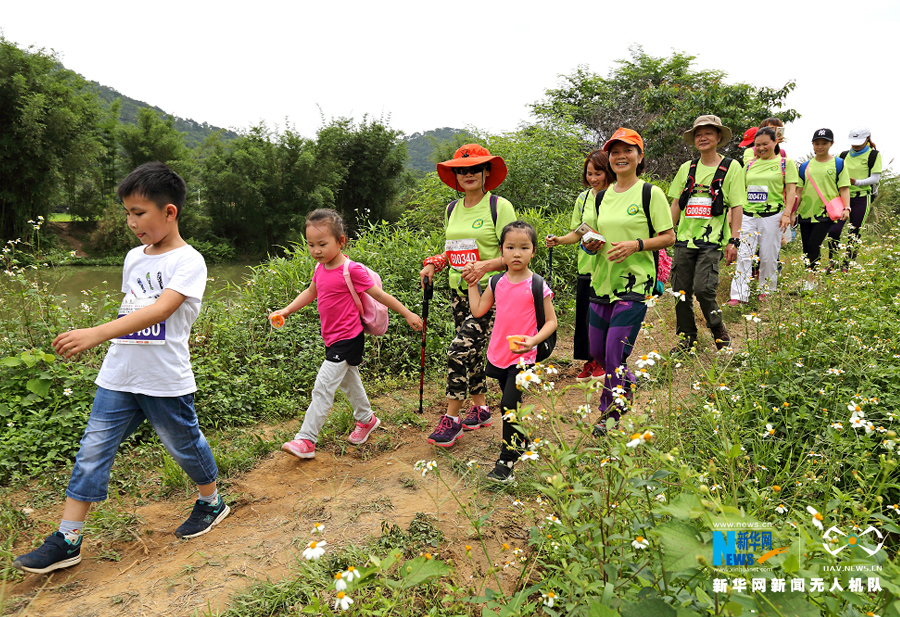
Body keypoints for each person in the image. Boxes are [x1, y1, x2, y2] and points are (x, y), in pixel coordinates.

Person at [14, 163, 228, 574]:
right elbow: (131, 309)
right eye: (127, 213)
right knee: (92, 450)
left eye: (139, 212)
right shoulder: (133, 257)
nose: (131, 222)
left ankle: (211, 501)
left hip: (164, 378)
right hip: (119, 374)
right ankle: (68, 538)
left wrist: (95, 332)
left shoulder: (190, 261)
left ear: (170, 212)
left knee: (184, 445)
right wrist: (107, 339)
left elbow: (163, 309)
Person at [547, 128, 674, 436]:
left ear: (639, 156)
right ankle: (626, 385)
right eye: (615, 151)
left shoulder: (650, 193)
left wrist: (636, 245)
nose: (620, 156)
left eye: (627, 150)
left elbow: (669, 237)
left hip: (634, 284)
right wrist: (591, 243)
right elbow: (591, 232)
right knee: (599, 352)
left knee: (615, 353)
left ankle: (610, 412)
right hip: (602, 281)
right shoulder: (602, 196)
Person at [274, 209, 423, 459]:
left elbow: (379, 295)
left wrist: (407, 313)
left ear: (340, 241)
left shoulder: (351, 270)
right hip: (331, 338)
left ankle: (306, 440)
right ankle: (366, 419)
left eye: (322, 244)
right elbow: (311, 292)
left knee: (323, 387)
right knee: (348, 380)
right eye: (311, 244)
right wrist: (287, 310)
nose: (316, 250)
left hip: (348, 338)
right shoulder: (320, 269)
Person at [419, 144, 517, 448]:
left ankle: (453, 419)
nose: (468, 174)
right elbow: (455, 252)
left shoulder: (499, 207)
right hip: (458, 293)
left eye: (475, 168)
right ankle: (481, 408)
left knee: (457, 350)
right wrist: (435, 263)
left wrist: (485, 266)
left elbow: (515, 253)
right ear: (456, 176)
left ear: (486, 171)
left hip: (489, 293)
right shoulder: (452, 209)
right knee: (472, 354)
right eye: (462, 170)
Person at [467, 221, 557, 482]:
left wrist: (533, 341)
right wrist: (473, 282)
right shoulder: (496, 281)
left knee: (508, 405)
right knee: (508, 405)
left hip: (524, 356)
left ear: (533, 251)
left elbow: (552, 322)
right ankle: (522, 441)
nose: (517, 253)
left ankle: (506, 461)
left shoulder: (537, 285)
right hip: (499, 353)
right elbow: (478, 310)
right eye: (510, 247)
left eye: (524, 247)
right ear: (501, 251)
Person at [668, 115, 744, 353]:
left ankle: (717, 329)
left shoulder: (731, 167)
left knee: (703, 288)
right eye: (698, 134)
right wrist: (666, 234)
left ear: (718, 137)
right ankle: (688, 338)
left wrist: (734, 240)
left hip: (711, 242)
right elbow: (676, 204)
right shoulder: (686, 168)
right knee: (680, 291)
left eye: (709, 133)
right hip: (683, 240)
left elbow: (737, 206)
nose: (703, 137)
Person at [552, 150, 609, 381]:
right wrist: (559, 240)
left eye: (598, 173)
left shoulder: (616, 196)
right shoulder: (583, 198)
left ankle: (603, 360)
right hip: (586, 265)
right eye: (590, 174)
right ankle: (589, 360)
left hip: (608, 265)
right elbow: (578, 232)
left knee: (601, 316)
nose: (594, 178)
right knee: (584, 316)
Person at [728, 127, 798, 305]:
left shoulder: (785, 163)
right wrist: (731, 214)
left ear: (775, 142)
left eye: (765, 144)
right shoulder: (750, 164)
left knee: (768, 256)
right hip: (748, 215)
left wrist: (787, 214)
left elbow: (791, 191)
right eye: (757, 145)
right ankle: (738, 294)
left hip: (773, 216)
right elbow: (739, 191)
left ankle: (766, 290)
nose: (761, 148)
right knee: (744, 255)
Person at [795, 128, 851, 290]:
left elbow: (844, 188)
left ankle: (812, 280)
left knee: (814, 244)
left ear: (831, 144)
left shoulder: (839, 163)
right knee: (806, 247)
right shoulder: (805, 166)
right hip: (805, 211)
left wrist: (846, 208)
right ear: (812, 144)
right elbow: (799, 190)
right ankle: (810, 278)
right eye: (817, 143)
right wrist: (791, 212)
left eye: (824, 143)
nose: (820, 146)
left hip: (826, 212)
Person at [826, 126, 883, 272]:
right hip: (842, 198)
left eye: (859, 142)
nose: (855, 145)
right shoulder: (843, 155)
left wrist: (856, 182)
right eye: (853, 142)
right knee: (834, 230)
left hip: (862, 197)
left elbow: (875, 178)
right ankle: (833, 261)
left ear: (867, 139)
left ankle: (847, 264)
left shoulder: (873, 155)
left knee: (855, 232)